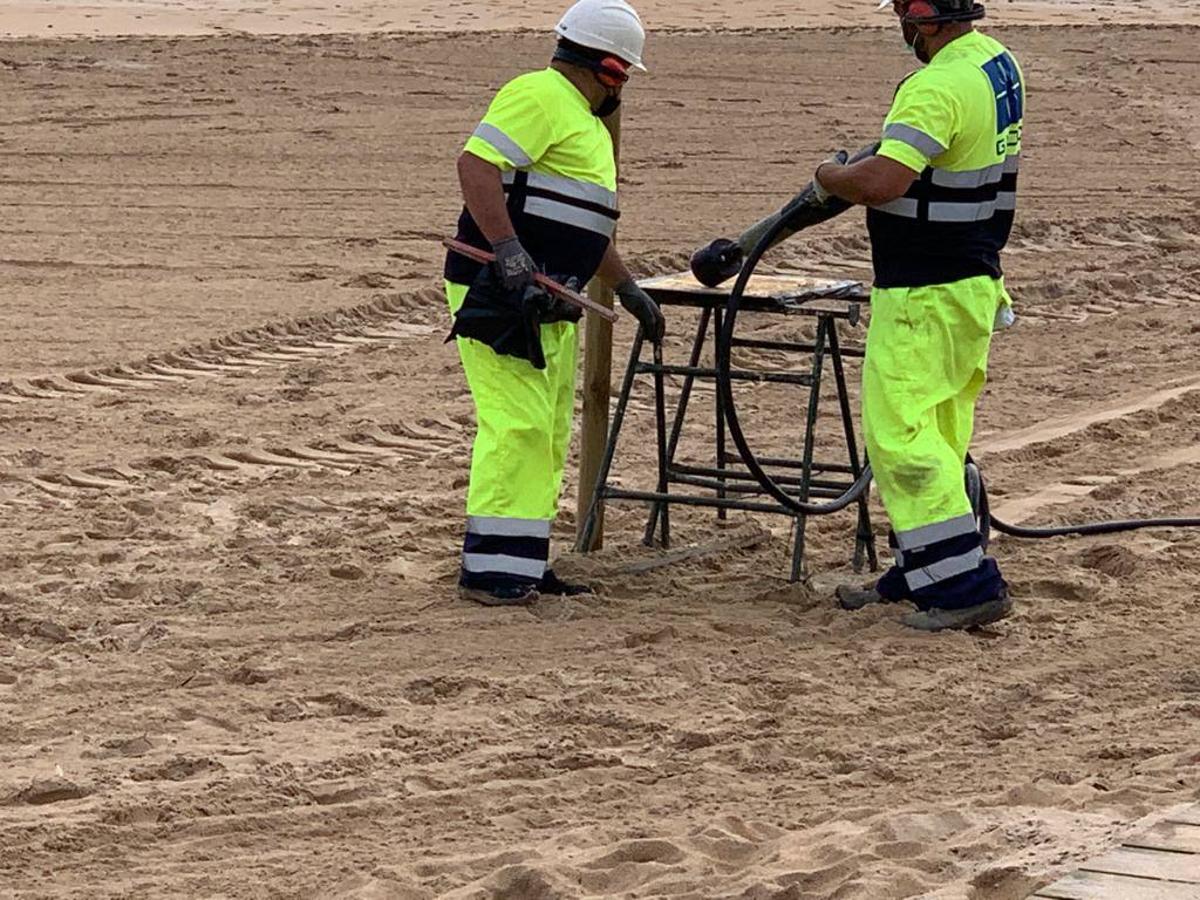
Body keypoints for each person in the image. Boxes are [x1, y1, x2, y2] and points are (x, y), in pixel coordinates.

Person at [445, 0, 665, 607]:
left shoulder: (587, 126)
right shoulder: (539, 95)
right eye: (620, 75)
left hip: (553, 299)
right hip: (500, 292)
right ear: (605, 66)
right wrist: (510, 251)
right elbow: (476, 165)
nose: (618, 90)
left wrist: (624, 286)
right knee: (516, 425)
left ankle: (522, 560)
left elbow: (583, 229)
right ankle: (491, 574)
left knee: (545, 432)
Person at [815, 0, 1025, 630]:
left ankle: (964, 585)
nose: (903, 29)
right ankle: (921, 567)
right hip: (971, 281)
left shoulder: (936, 87)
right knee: (939, 433)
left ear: (926, 19)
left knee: (901, 439)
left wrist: (830, 174)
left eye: (906, 15)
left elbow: (881, 183)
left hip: (923, 291)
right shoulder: (995, 62)